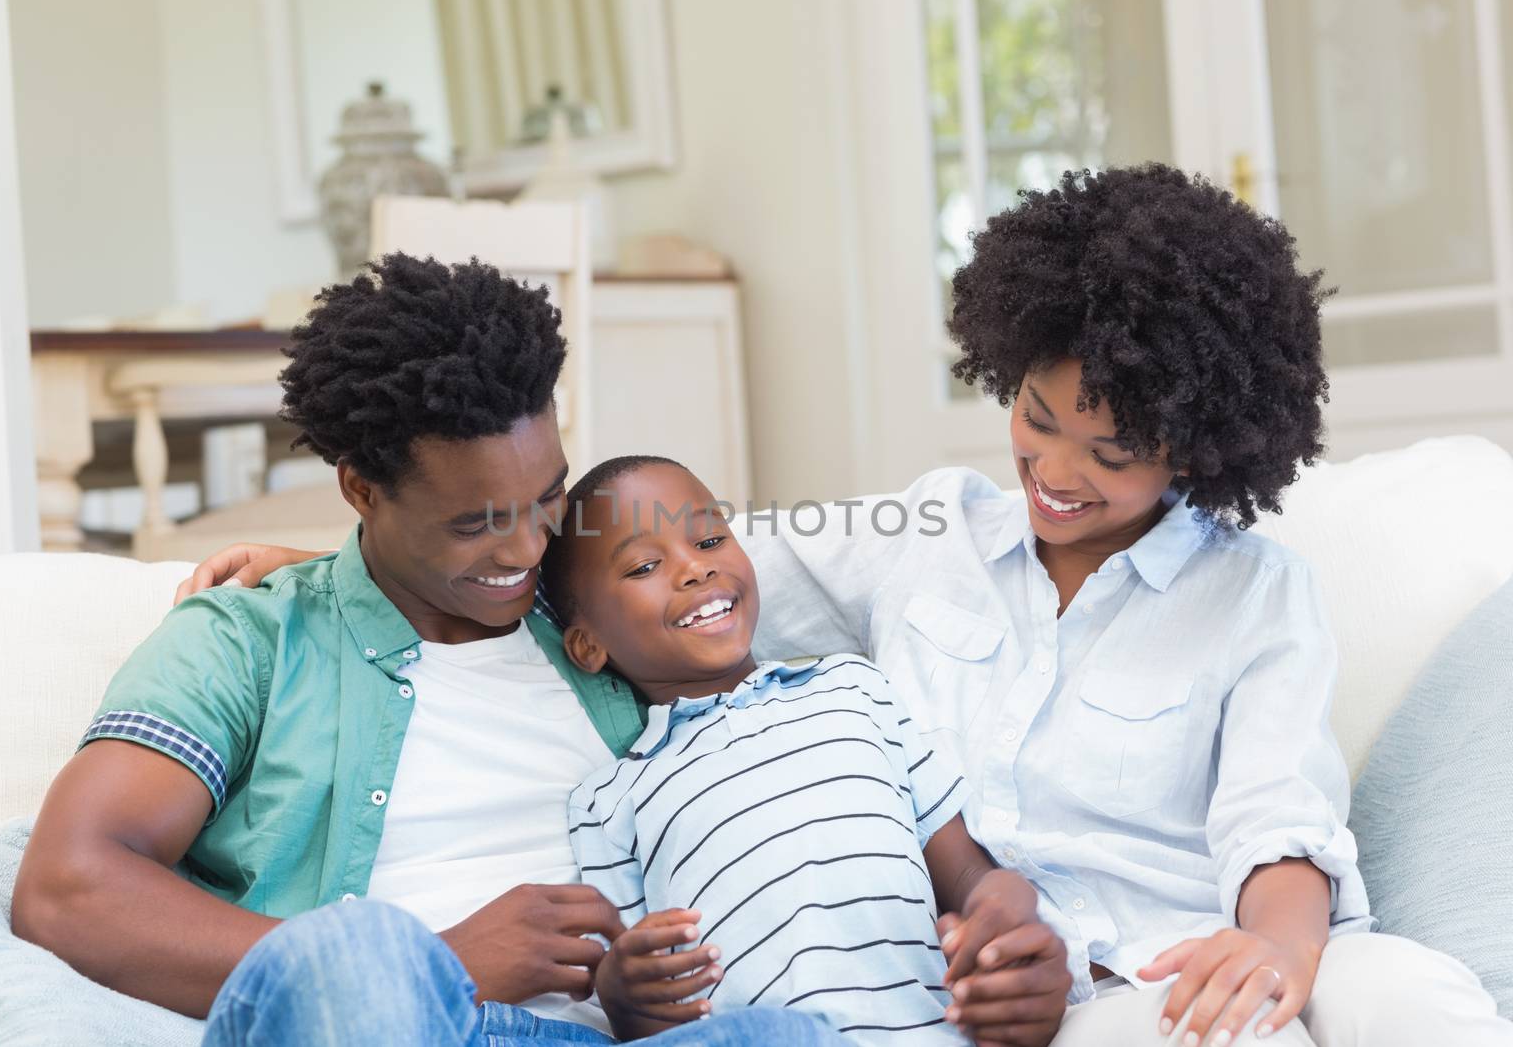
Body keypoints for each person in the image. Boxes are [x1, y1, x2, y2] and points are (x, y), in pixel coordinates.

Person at [191, 165, 1513, 1046]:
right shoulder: (927, 530)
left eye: (1110, 456)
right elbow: (637, 554)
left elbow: (1278, 820)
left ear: (1204, 445)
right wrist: (343, 559)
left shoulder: (1254, 593)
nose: (1053, 473)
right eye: (1035, 419)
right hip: (907, 985)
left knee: (1405, 998)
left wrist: (1275, 955)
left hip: (1133, 972)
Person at [14, 254, 849, 1047]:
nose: (528, 547)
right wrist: (447, 959)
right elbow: (69, 887)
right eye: (477, 522)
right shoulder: (245, 641)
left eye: (549, 494)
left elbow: (733, 569)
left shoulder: (596, 608)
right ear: (361, 490)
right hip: (386, 1016)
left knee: (789, 1034)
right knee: (356, 952)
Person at [541, 455, 1071, 1044]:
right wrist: (623, 993)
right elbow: (631, 1001)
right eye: (644, 565)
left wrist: (1007, 911)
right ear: (588, 646)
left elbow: (969, 873)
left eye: (712, 538)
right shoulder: (609, 799)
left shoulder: (854, 688)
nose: (695, 568)